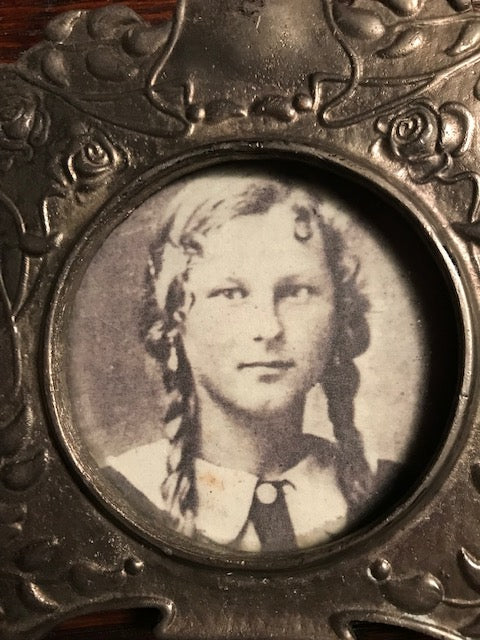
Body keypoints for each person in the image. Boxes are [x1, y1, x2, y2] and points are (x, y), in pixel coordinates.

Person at [105, 167, 391, 553]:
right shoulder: (116, 497)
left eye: (297, 291)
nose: (268, 327)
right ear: (173, 319)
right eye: (230, 293)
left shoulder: (387, 488)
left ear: (340, 314)